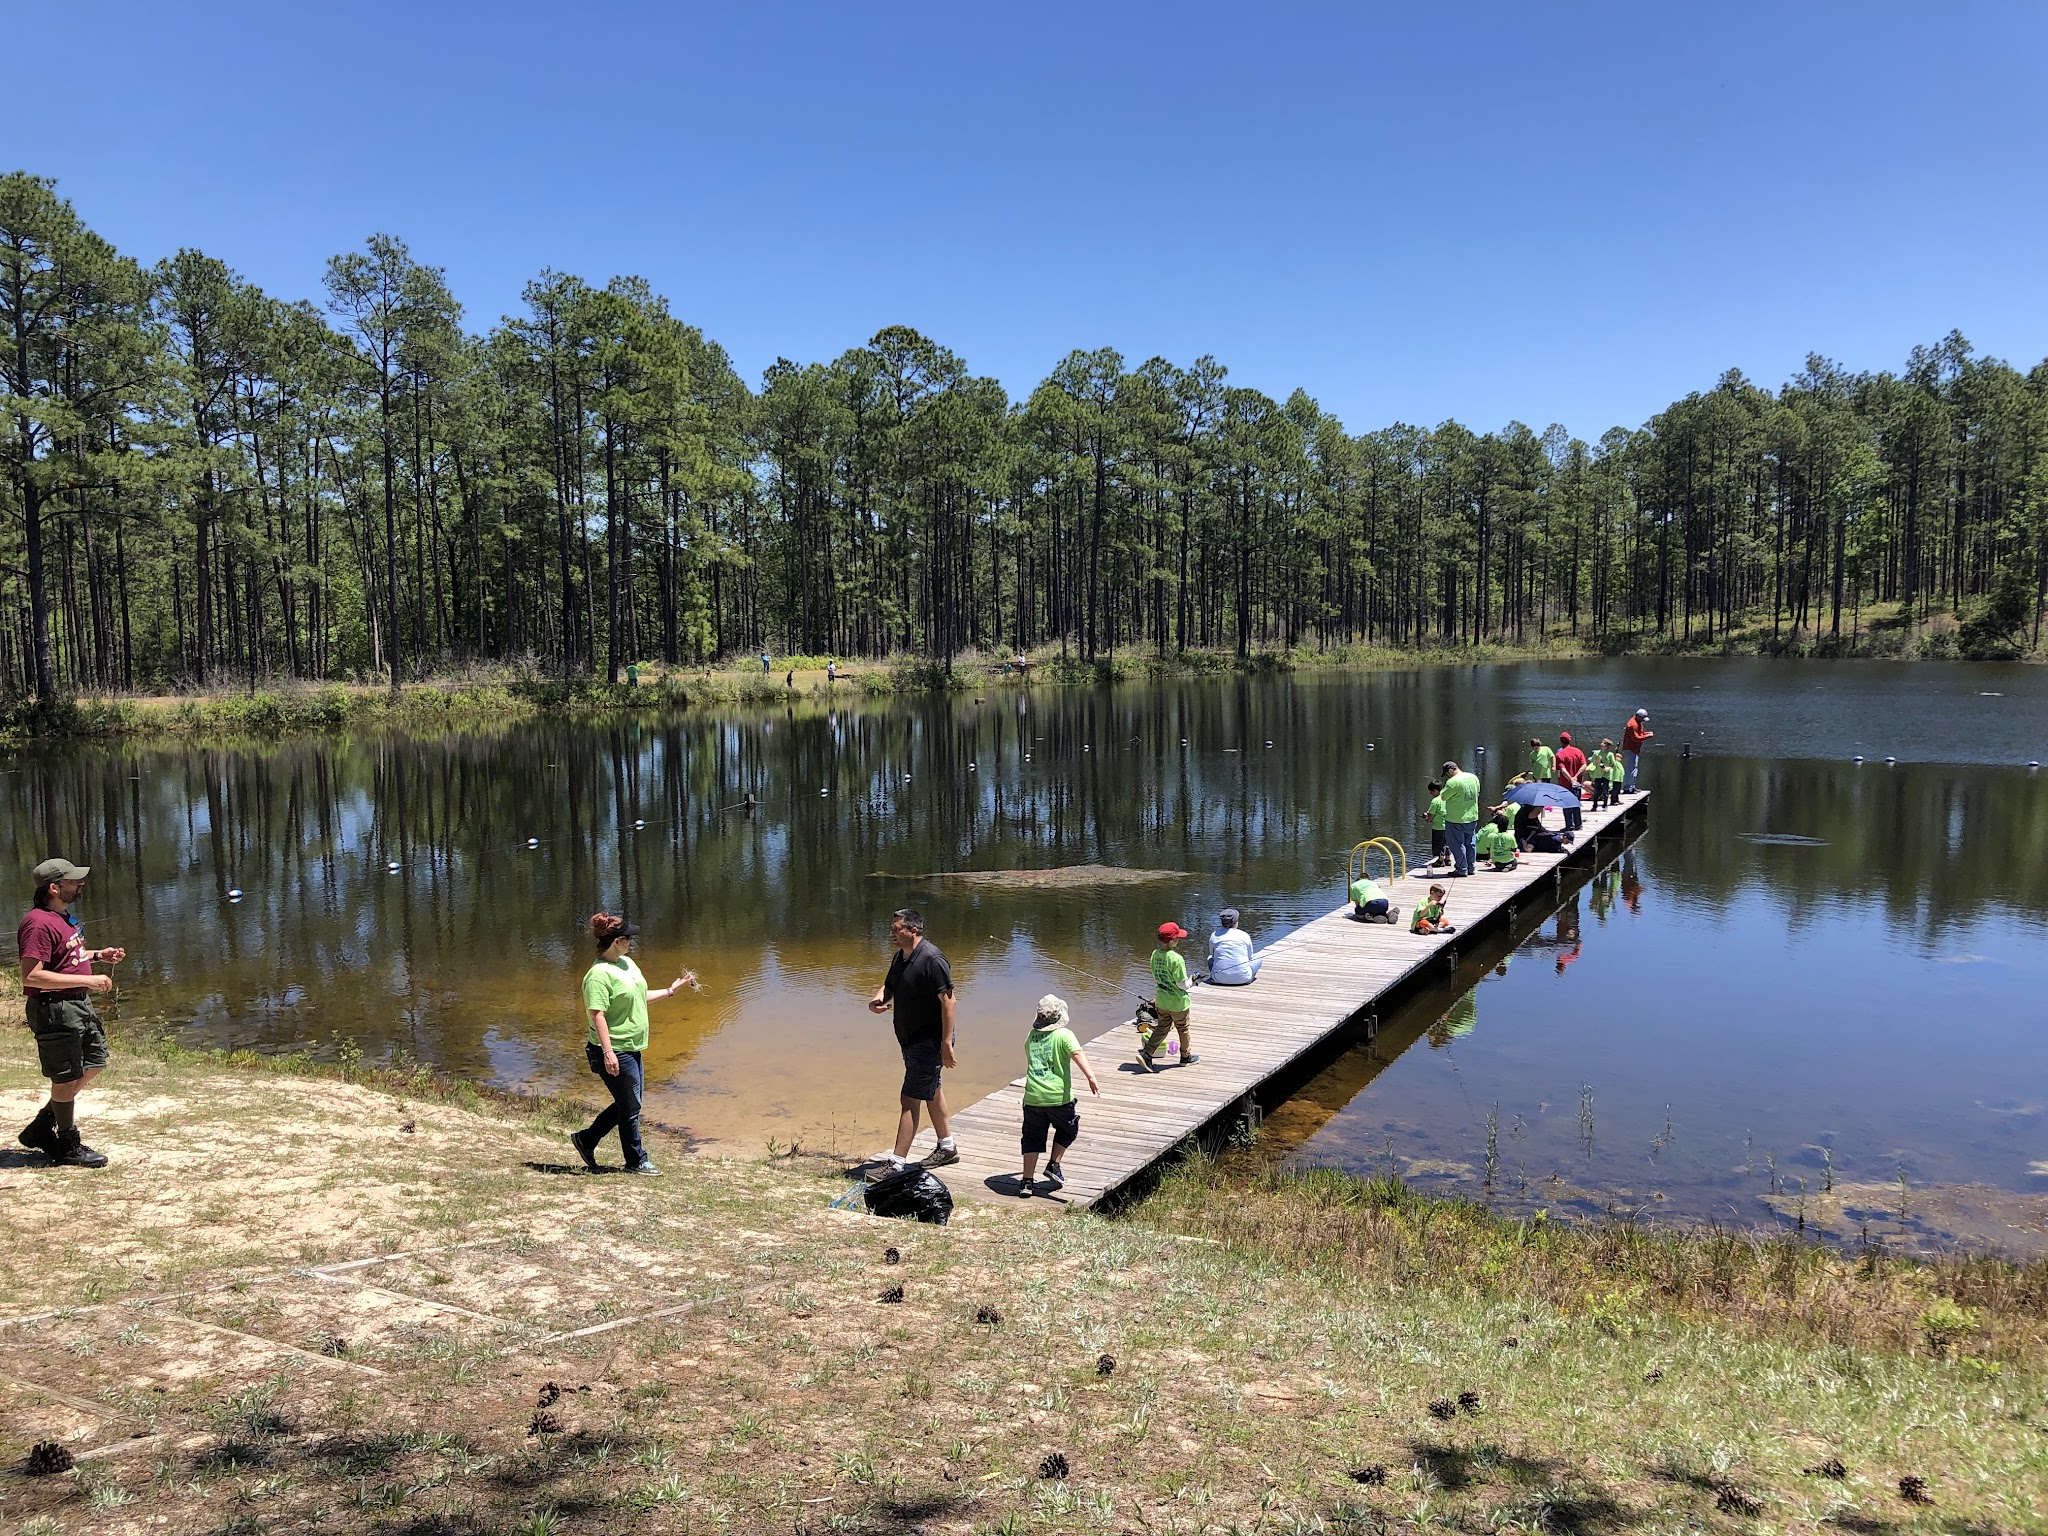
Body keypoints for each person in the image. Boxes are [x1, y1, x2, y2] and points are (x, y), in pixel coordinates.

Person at [16, 858, 125, 1169]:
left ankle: (41, 1126)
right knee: (66, 1078)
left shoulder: (62, 918)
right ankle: (66, 1144)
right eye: (74, 881)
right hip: (56, 1009)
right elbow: (31, 976)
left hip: (78, 1005)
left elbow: (65, 957)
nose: (80, 884)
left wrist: (97, 956)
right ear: (54, 887)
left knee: (95, 1062)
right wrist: (88, 979)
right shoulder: (38, 923)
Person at [569, 913, 695, 1175]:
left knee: (630, 1103)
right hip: (613, 1050)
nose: (631, 943)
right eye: (628, 939)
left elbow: (639, 996)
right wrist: (608, 1053)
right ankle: (636, 1161)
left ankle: (587, 1140)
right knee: (630, 1106)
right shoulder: (598, 975)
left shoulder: (626, 964)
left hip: (633, 1046)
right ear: (616, 942)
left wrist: (671, 990)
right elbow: (597, 1015)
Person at [867, 908, 959, 1169]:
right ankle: (948, 1147)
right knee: (932, 1090)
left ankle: (895, 1163)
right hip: (910, 1040)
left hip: (929, 1041)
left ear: (913, 930)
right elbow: (890, 986)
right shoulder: (901, 957)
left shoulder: (932, 959)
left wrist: (946, 1043)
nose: (892, 934)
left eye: (897, 929)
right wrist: (878, 1000)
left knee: (909, 1099)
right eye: (892, 929)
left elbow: (949, 1002)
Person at [1017, 994, 1099, 1199]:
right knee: (1069, 1128)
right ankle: (1054, 1164)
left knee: (1032, 1138)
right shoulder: (1064, 1034)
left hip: (1033, 1097)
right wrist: (1091, 1076)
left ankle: (1027, 1182)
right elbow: (1077, 1054)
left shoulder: (1031, 1036)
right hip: (1059, 1098)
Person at [1140, 921, 1198, 1071]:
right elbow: (1182, 985)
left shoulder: (1154, 954)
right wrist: (1192, 981)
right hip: (1178, 1003)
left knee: (1162, 1028)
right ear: (1173, 940)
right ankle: (1186, 1057)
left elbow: (1156, 976)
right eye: (1178, 937)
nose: (1179, 940)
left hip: (1162, 1001)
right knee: (1182, 1028)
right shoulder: (1176, 959)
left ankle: (1147, 1054)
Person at [1439, 760, 1481, 877]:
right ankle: (1471, 867)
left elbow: (1443, 796)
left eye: (1447, 774)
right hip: (1472, 816)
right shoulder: (1473, 777)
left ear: (1451, 770)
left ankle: (1462, 869)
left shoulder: (1452, 782)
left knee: (1457, 845)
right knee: (1470, 843)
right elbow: (1477, 792)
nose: (1447, 776)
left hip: (1456, 818)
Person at [1205, 908, 1260, 985]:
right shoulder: (1244, 935)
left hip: (1218, 979)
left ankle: (1217, 976)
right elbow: (1249, 957)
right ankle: (1246, 977)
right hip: (1243, 979)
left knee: (1209, 958)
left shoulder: (1214, 935)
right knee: (1257, 958)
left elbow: (1213, 956)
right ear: (1235, 922)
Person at [1554, 732, 1587, 833]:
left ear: (1561, 741)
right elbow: (1584, 765)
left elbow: (1562, 770)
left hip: (1565, 784)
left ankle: (1569, 826)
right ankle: (1578, 824)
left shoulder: (1559, 755)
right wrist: (1576, 777)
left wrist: (1570, 779)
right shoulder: (1578, 751)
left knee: (1566, 805)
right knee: (1576, 803)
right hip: (1576, 783)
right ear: (1570, 740)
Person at [1622, 708, 1653, 794]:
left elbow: (1640, 734)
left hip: (1635, 749)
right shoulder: (1632, 725)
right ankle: (1627, 787)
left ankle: (1632, 786)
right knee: (1630, 768)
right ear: (1638, 716)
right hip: (1630, 749)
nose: (1643, 720)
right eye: (1642, 718)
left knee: (1634, 768)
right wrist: (1648, 736)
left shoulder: (1638, 723)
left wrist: (1646, 733)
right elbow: (1636, 738)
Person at [1420, 780, 1450, 869]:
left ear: (1436, 791)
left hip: (1438, 827)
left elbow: (1430, 817)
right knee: (1447, 843)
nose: (1430, 793)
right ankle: (1448, 859)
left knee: (1438, 844)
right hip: (1448, 826)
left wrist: (1426, 818)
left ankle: (1440, 861)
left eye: (1431, 791)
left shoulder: (1435, 801)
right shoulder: (1447, 798)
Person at [1589, 739, 1619, 809]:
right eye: (1602, 742)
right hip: (1598, 774)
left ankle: (1605, 805)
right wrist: (1597, 760)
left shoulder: (1610, 754)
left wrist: (1608, 768)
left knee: (1605, 790)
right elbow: (1592, 763)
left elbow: (1613, 764)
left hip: (1606, 775)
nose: (1602, 744)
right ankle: (1594, 805)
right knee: (1596, 790)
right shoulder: (1596, 753)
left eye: (1604, 743)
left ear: (1608, 746)